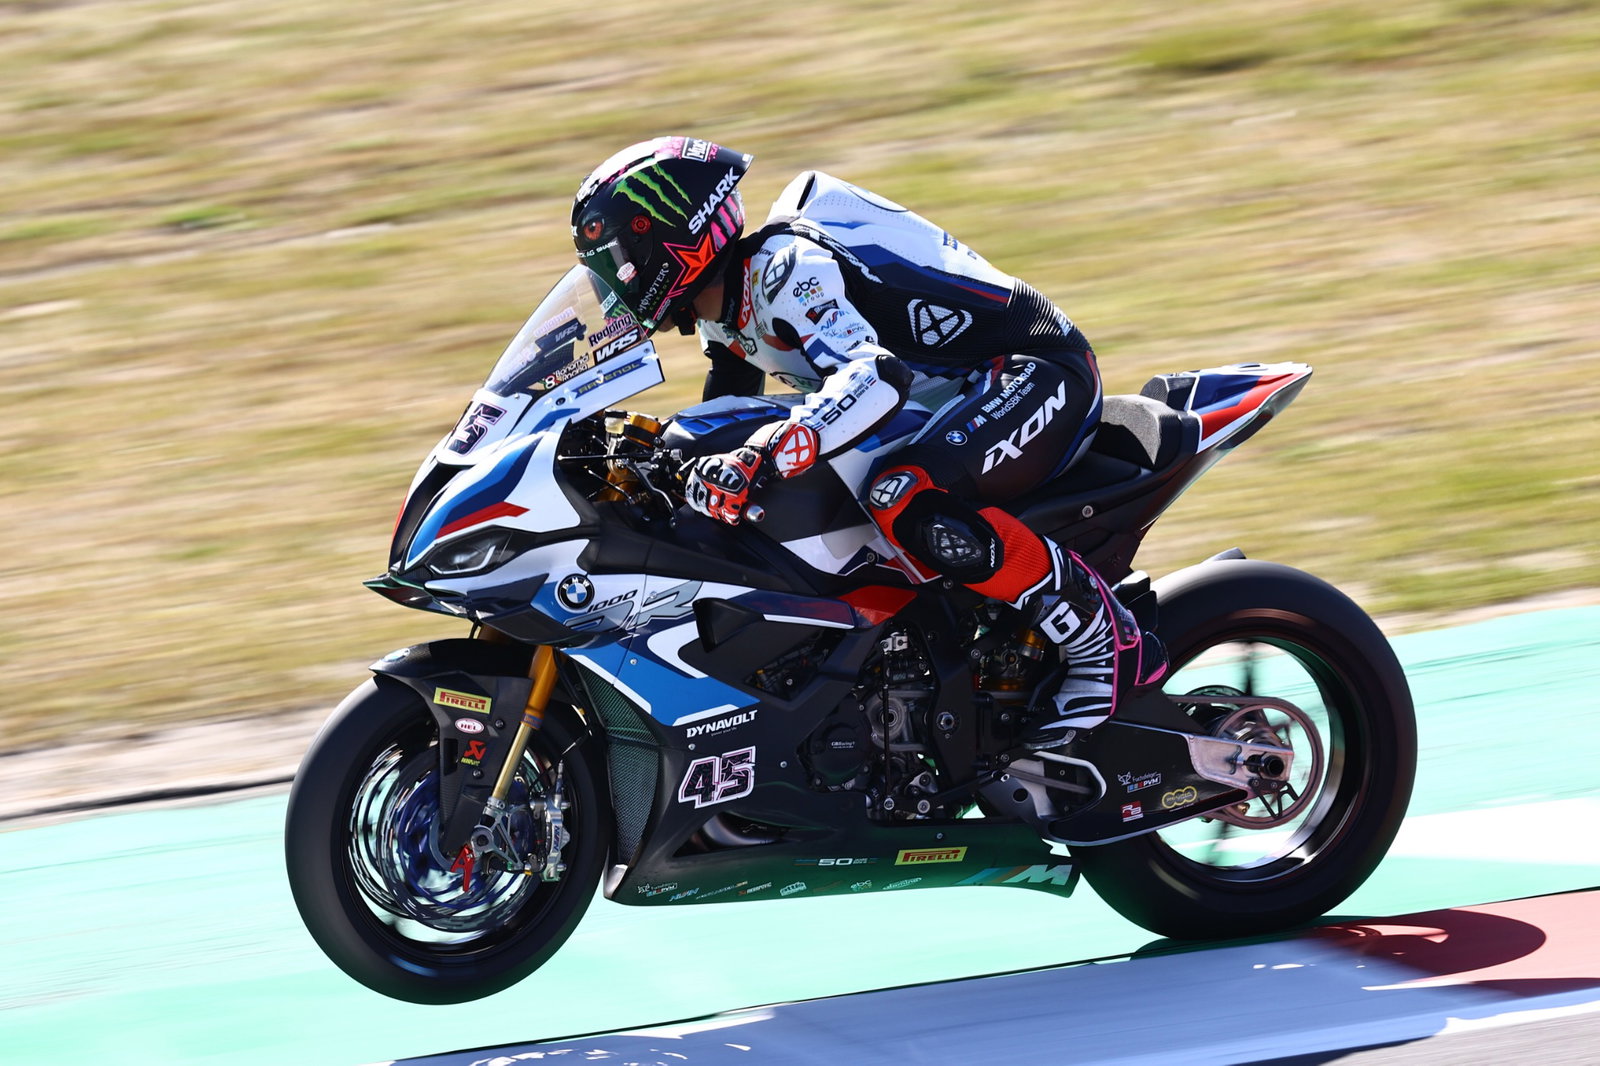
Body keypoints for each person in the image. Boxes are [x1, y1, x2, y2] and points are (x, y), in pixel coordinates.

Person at [571, 136, 1165, 747]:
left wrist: (763, 452)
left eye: (616, 257)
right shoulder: (722, 313)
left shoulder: (785, 268)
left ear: (669, 233)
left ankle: (1103, 638)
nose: (611, 280)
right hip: (946, 400)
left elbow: (876, 379)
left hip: (1032, 372)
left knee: (900, 493)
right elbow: (721, 416)